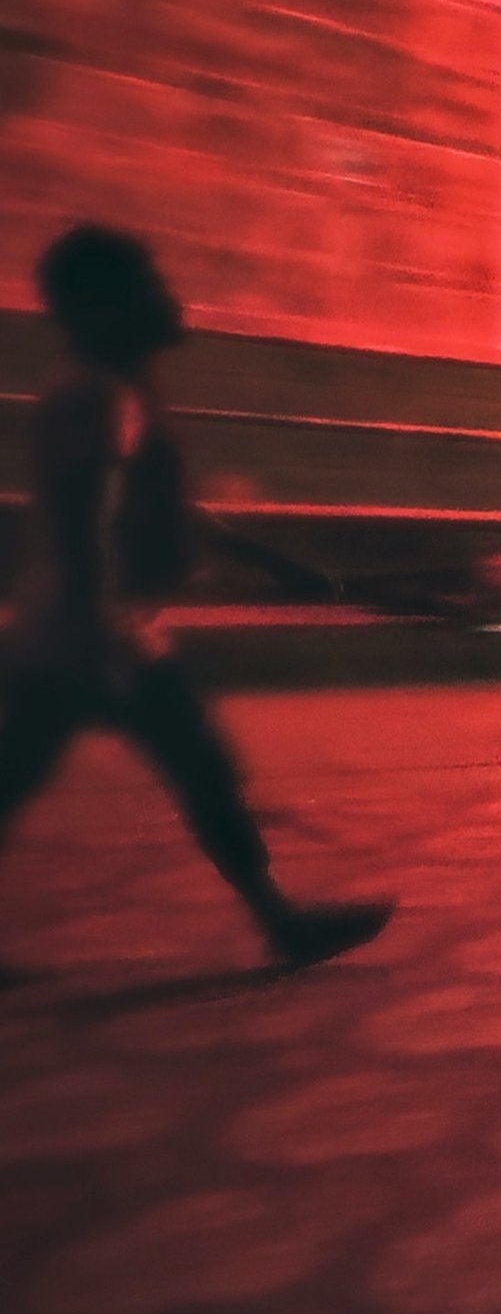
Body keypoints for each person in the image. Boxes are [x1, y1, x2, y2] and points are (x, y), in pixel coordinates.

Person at [0, 226, 392, 968]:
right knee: (199, 767)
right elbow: (89, 525)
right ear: (102, 308)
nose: (163, 294)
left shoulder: (106, 389)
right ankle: (282, 926)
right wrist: (108, 646)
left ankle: (281, 923)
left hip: (67, 632)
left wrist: (277, 563)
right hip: (92, 635)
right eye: (144, 282)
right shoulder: (99, 397)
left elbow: (163, 509)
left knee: (22, 779)